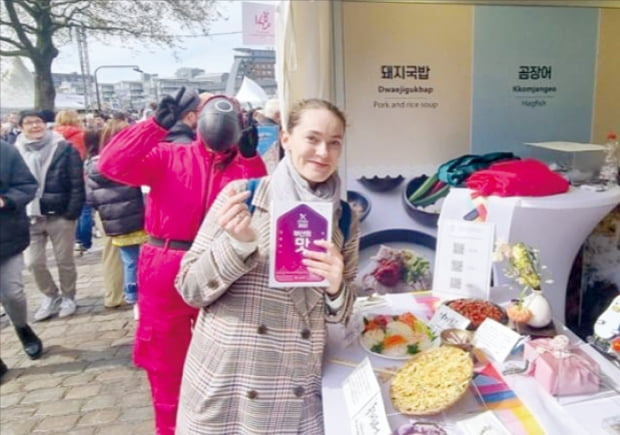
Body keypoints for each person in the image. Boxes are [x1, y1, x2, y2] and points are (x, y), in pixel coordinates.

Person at [174, 98, 359, 434]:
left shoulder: (344, 216)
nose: (323, 152)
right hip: (231, 384)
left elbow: (343, 313)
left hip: (296, 389)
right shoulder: (242, 195)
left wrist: (336, 288)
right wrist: (237, 244)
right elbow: (189, 289)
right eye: (312, 138)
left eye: (335, 143)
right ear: (286, 139)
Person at [98, 88, 267, 435]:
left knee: (229, 359)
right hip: (166, 263)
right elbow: (111, 164)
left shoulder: (244, 167)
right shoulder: (168, 156)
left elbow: (260, 203)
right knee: (166, 365)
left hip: (224, 264)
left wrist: (251, 158)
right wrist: (154, 125)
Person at [14, 110, 85, 321]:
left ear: (46, 124)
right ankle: (50, 295)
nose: (35, 126)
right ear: (21, 127)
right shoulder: (14, 151)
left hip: (59, 213)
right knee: (33, 262)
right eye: (29, 123)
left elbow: (76, 182)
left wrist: (72, 212)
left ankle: (68, 296)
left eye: (38, 122)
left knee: (64, 260)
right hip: (29, 215)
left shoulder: (63, 148)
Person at [86, 120, 146, 306]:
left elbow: (91, 197)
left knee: (127, 260)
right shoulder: (134, 161)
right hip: (138, 217)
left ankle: (128, 296)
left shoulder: (94, 165)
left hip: (112, 220)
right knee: (143, 260)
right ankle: (140, 296)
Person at [0, 139, 44, 378]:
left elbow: (27, 185)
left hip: (5, 236)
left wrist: (6, 200)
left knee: (12, 293)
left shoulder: (5, 151)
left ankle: (21, 327)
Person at [84, 129, 125, 308]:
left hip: (105, 211)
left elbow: (90, 195)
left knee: (111, 254)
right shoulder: (124, 160)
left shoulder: (94, 163)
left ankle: (113, 295)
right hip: (127, 212)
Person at [54, 110, 92, 253]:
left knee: (67, 210)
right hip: (82, 174)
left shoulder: (53, 136)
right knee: (86, 210)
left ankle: (72, 239)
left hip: (61, 177)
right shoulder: (82, 136)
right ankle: (84, 242)